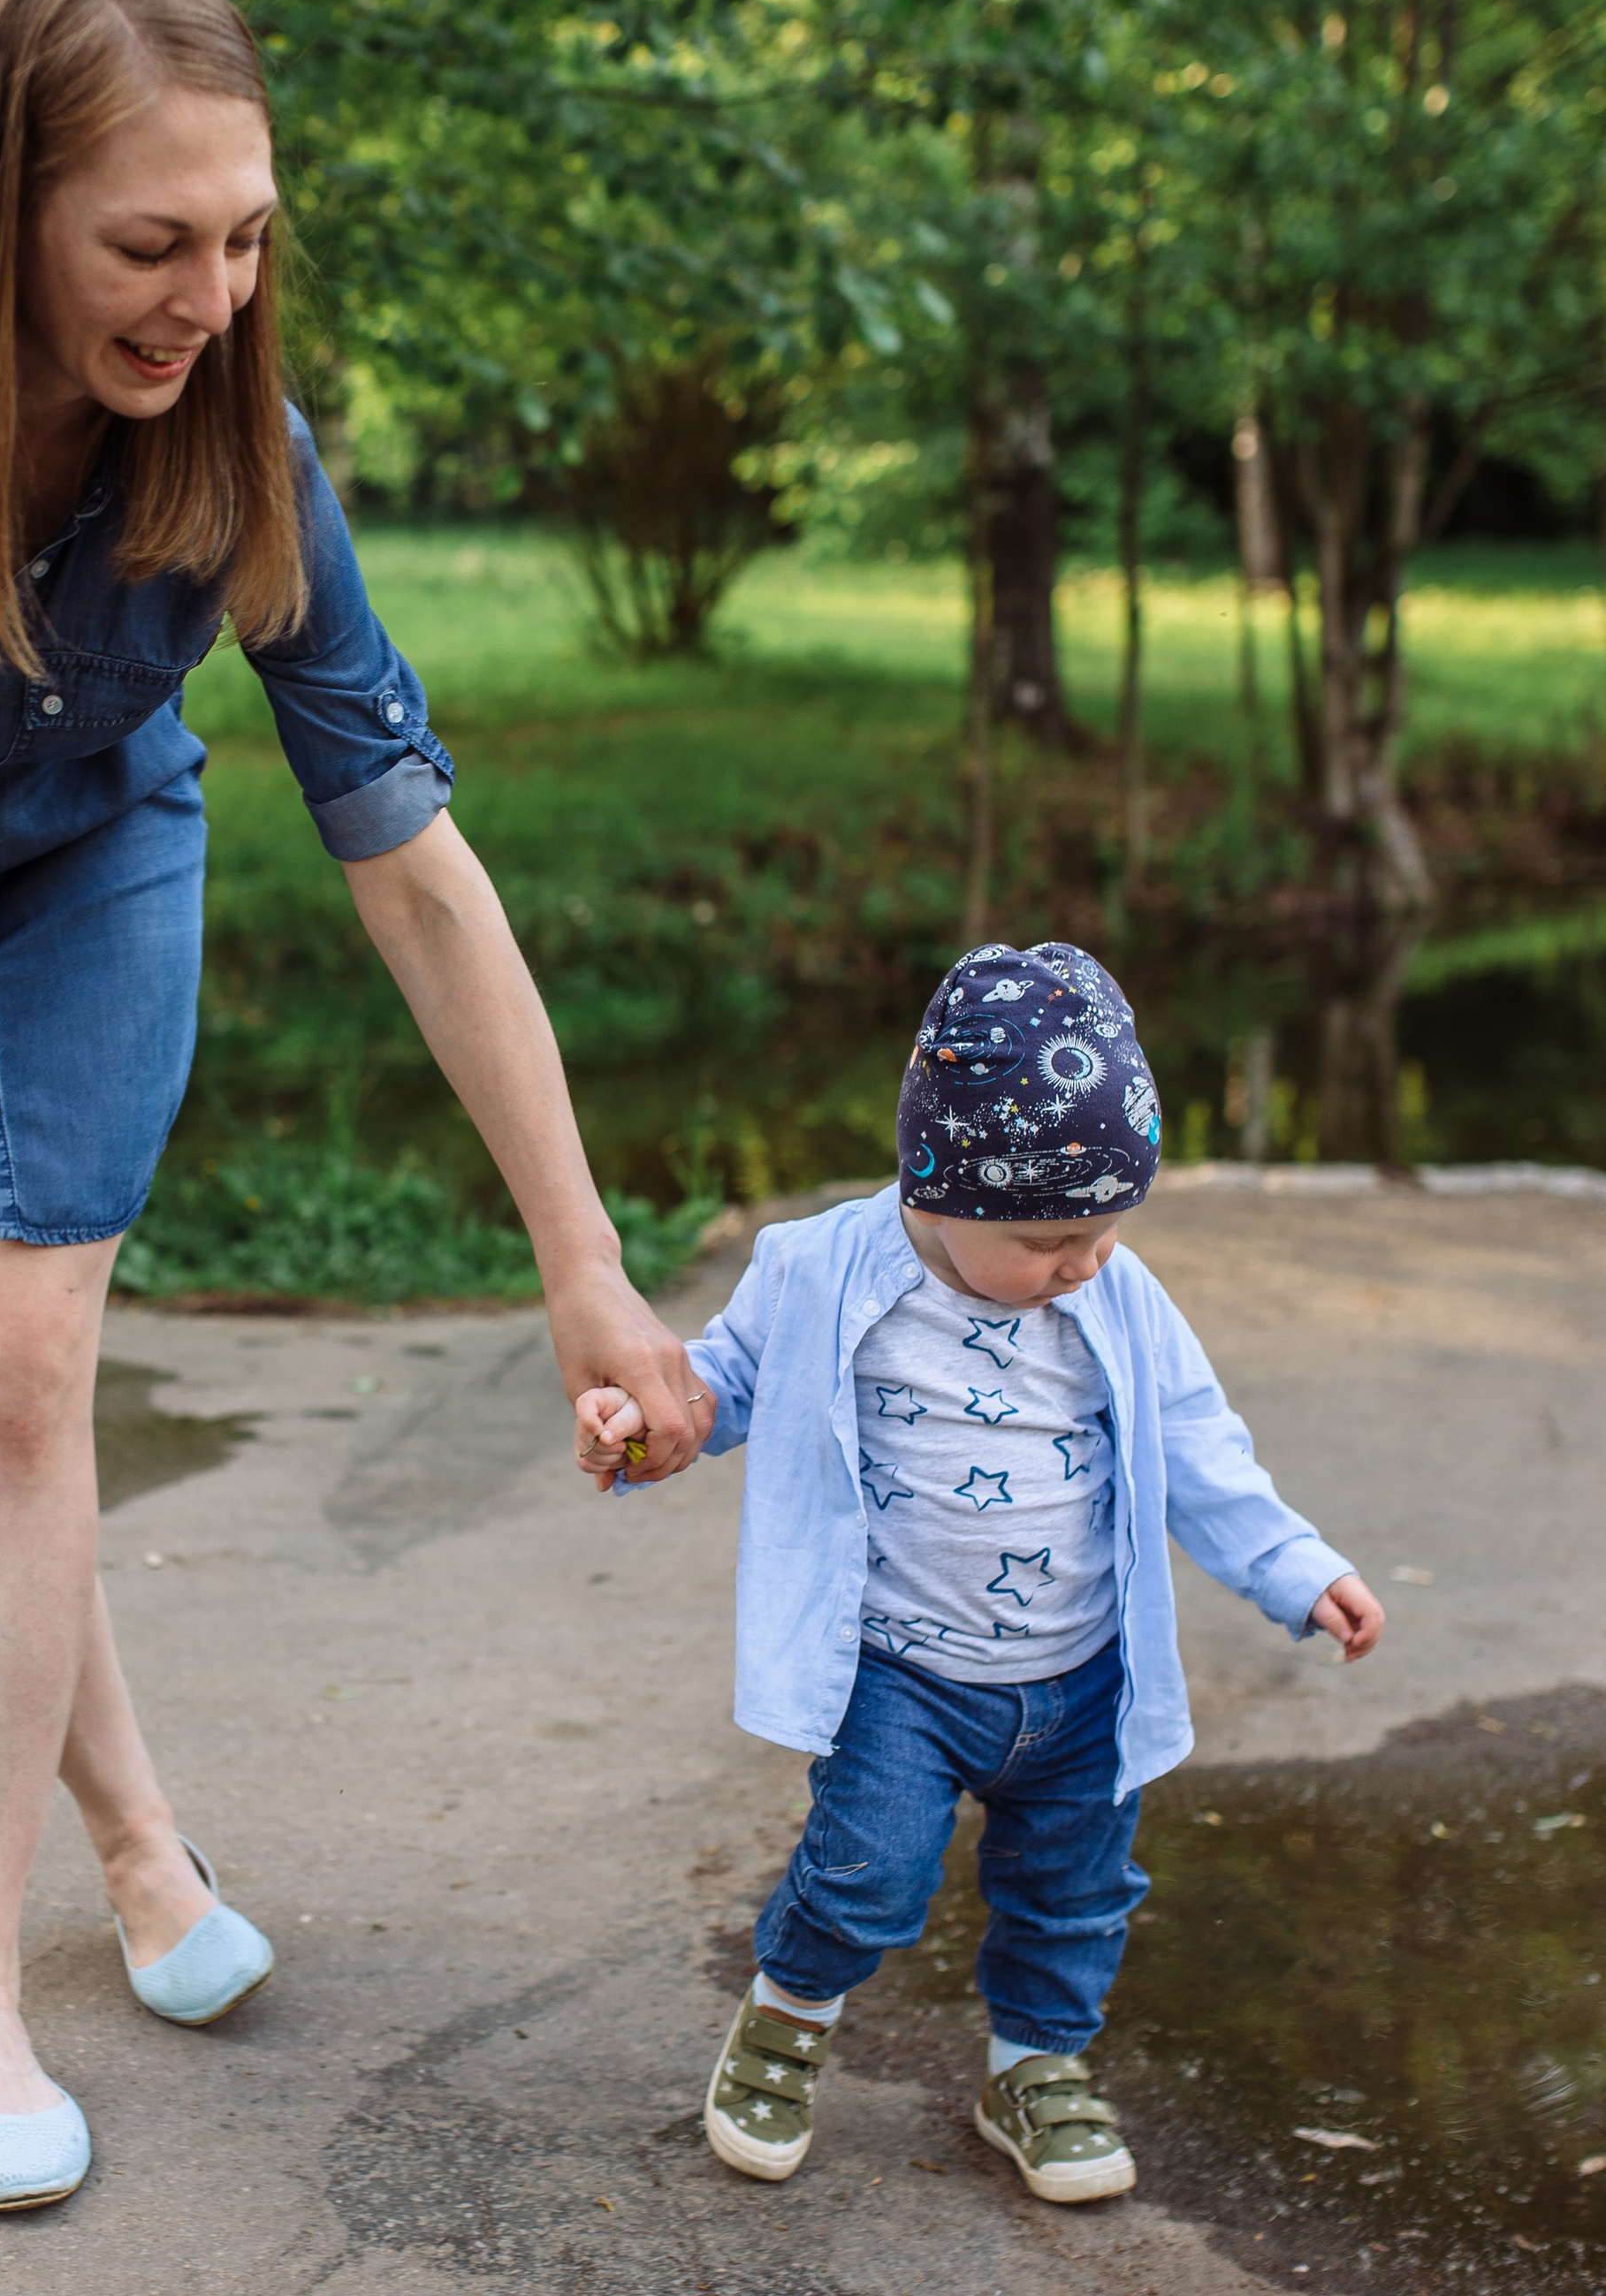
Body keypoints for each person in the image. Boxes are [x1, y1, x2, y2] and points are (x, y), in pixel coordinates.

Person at [0, 0, 707, 2216]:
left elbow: (415, 867)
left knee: (18, 1382)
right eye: (149, 242)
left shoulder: (245, 453)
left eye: (244, 237)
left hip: (87, 871)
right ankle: (134, 1843)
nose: (206, 295)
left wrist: (587, 1269)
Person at [573, 939, 1384, 2203]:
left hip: (1080, 1672)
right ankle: (787, 2020)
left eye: (1107, 1230)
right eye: (1057, 1235)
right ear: (940, 1186)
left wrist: (1292, 1565)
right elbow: (723, 1383)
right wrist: (652, 1423)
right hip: (899, 1672)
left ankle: (1035, 2067)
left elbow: (1197, 1446)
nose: (1086, 1262)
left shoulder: (1116, 1298)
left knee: (1074, 1893)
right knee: (866, 1874)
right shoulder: (822, 1269)